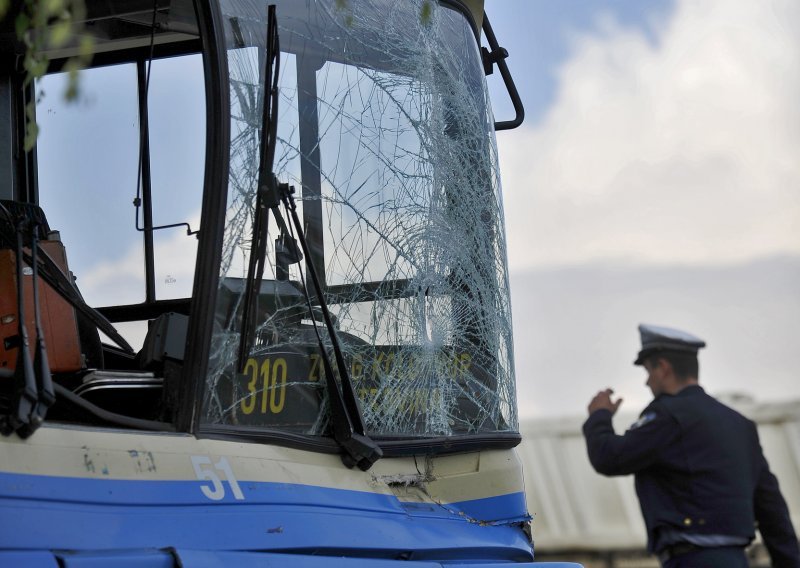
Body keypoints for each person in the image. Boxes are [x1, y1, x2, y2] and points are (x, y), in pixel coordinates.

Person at [583, 323, 800, 568]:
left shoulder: (667, 416)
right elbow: (771, 508)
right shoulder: (739, 425)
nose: (647, 382)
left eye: (648, 372)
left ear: (663, 368)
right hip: (735, 560)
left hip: (693, 559)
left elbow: (610, 457)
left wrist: (599, 417)